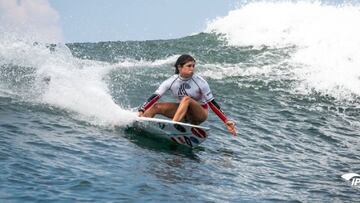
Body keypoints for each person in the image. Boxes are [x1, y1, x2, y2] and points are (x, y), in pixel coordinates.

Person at [138, 54, 236, 136]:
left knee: (186, 99)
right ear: (179, 67)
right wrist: (142, 109)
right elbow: (156, 96)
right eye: (189, 66)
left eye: (193, 66)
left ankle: (172, 126)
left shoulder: (200, 81)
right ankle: (140, 125)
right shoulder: (172, 81)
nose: (192, 68)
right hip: (183, 113)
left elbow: (212, 103)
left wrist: (226, 120)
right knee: (156, 106)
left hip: (199, 114)